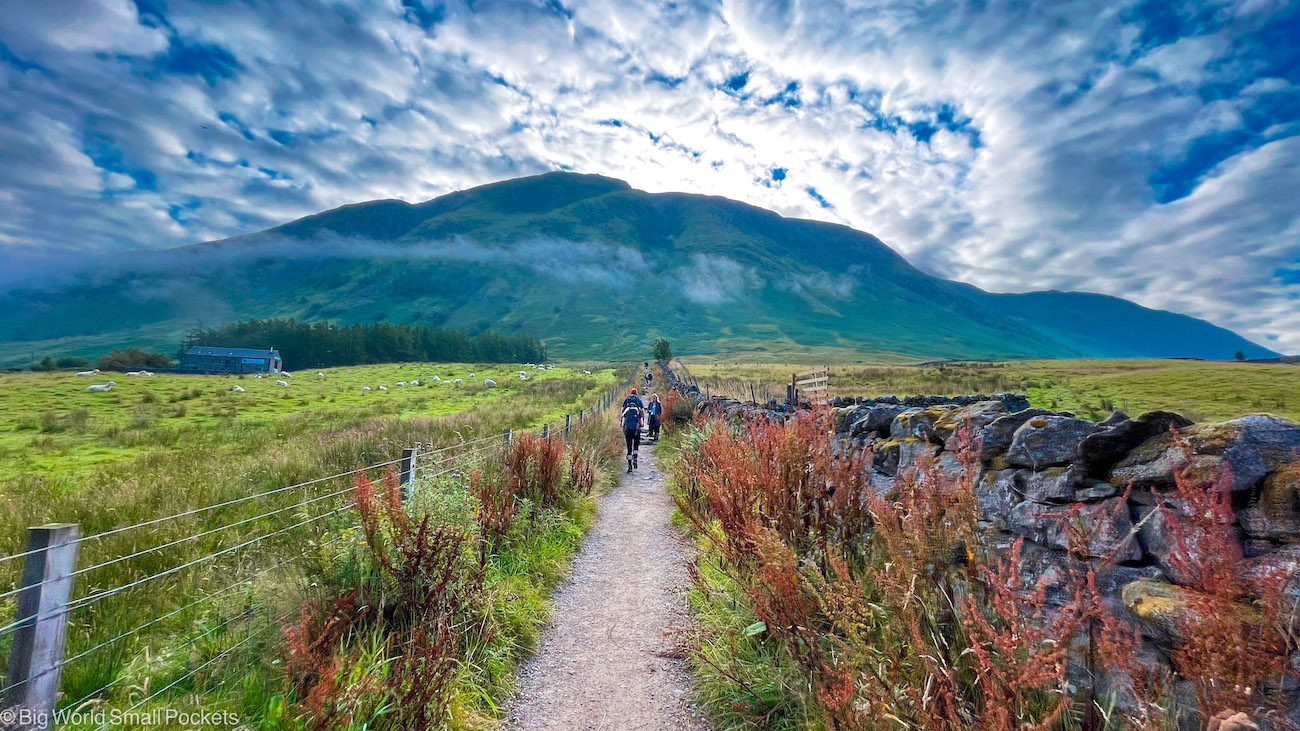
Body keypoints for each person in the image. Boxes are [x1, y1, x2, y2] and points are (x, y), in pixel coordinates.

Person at [621, 388, 645, 471]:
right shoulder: (638, 401)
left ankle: (629, 465)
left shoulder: (626, 400)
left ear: (630, 393)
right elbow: (641, 412)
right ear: (636, 393)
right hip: (636, 428)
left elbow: (622, 411)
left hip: (628, 428)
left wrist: (622, 423)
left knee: (629, 447)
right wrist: (642, 422)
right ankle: (635, 458)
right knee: (635, 445)